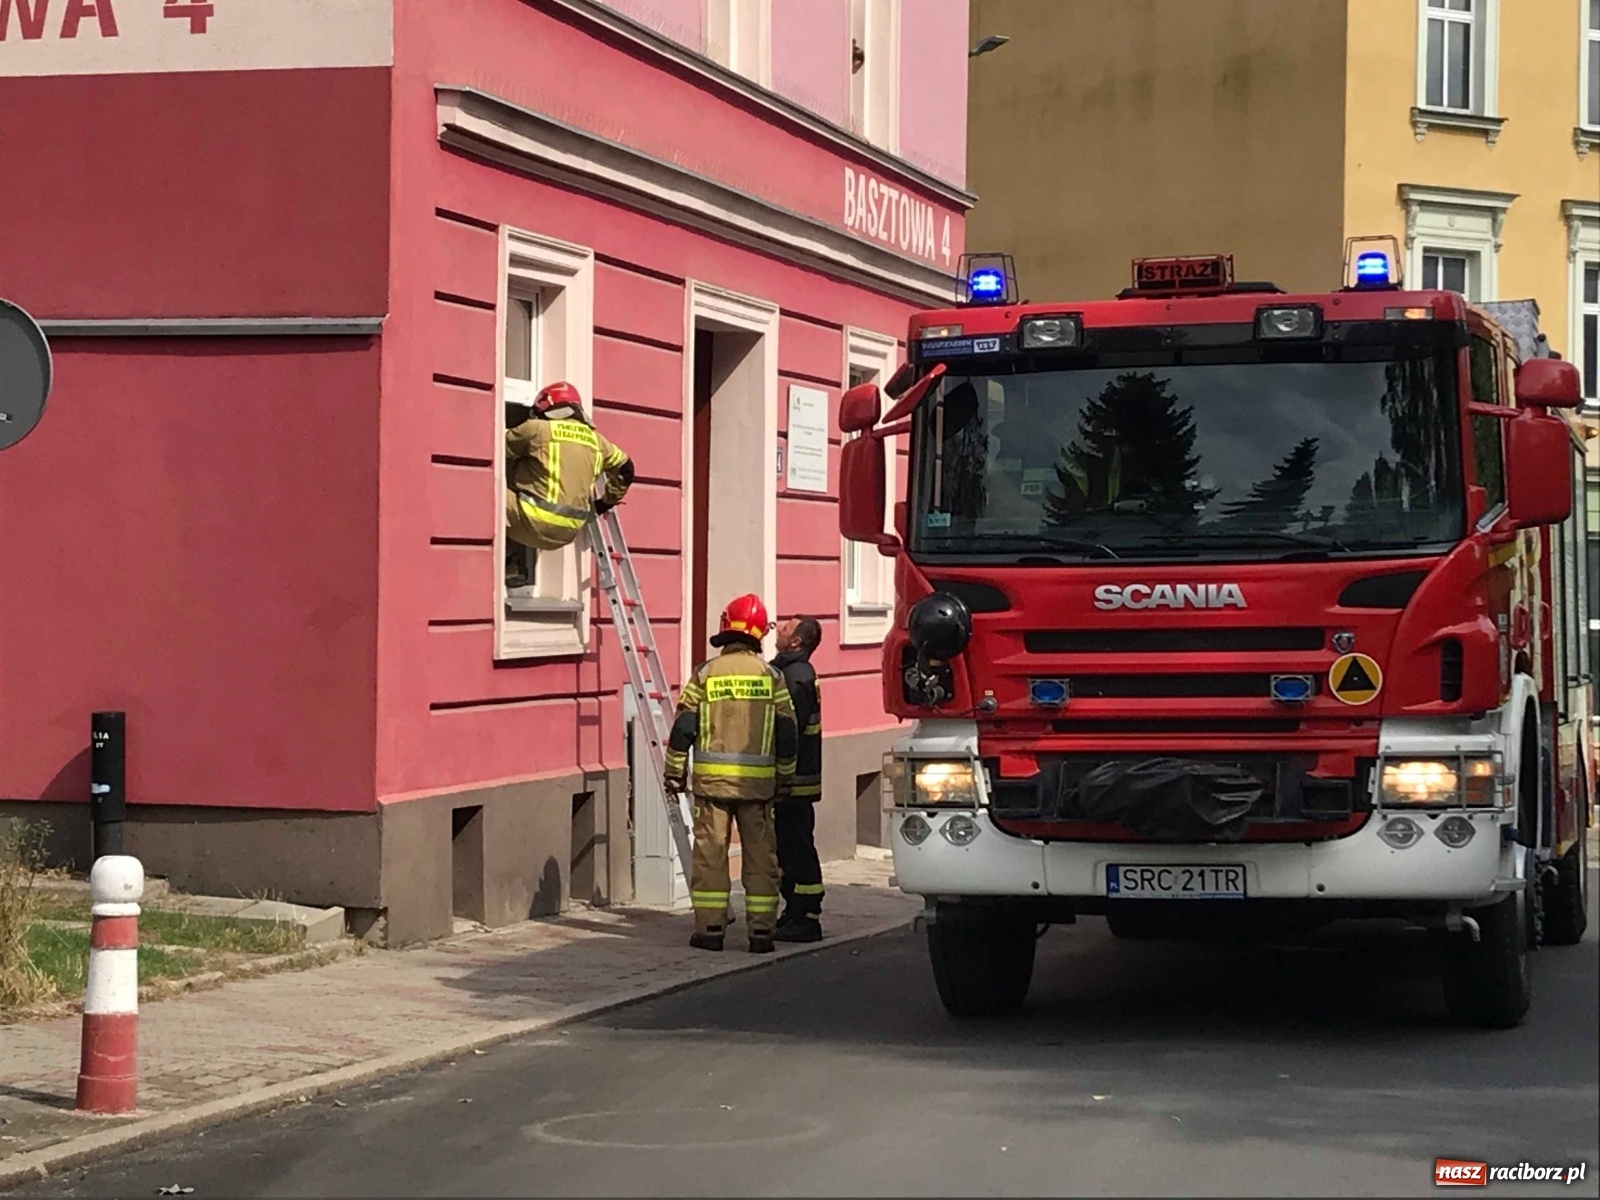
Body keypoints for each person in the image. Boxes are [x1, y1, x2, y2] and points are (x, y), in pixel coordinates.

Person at [663, 594, 796, 953]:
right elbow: (787, 733)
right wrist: (784, 779)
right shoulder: (772, 677)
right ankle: (762, 933)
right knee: (760, 858)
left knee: (710, 856)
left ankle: (709, 930)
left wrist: (674, 774)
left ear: (726, 628)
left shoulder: (705, 674)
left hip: (712, 786)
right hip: (758, 787)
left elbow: (683, 728)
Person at [505, 381, 634, 556]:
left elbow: (493, 450)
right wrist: (605, 502)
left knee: (487, 483)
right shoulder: (596, 440)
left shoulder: (536, 428)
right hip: (568, 532)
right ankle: (513, 562)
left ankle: (504, 560)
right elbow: (626, 468)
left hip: (532, 522)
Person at [771, 616, 826, 943]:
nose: (779, 628)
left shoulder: (797, 677)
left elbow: (788, 732)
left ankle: (807, 916)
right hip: (792, 781)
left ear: (797, 642)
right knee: (789, 848)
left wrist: (780, 775)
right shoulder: (787, 671)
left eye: (787, 627)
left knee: (797, 849)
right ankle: (795, 911)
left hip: (794, 782)